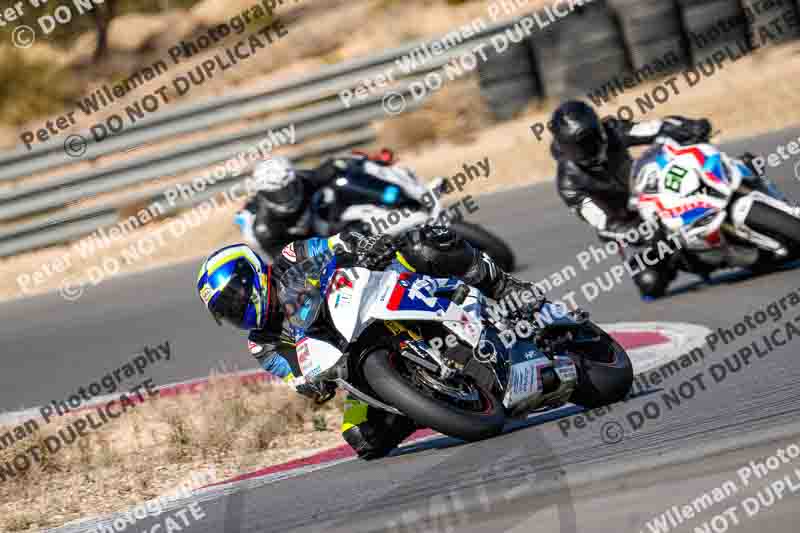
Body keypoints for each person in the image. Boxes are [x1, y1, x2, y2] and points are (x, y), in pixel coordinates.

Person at [196, 226, 544, 459]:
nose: (237, 311)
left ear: (251, 276)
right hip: (352, 362)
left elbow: (335, 243)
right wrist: (309, 386)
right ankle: (427, 399)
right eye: (228, 312)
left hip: (374, 298)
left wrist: (359, 244)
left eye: (236, 300)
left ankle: (503, 286)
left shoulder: (290, 258)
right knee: (361, 437)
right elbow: (293, 375)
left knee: (422, 242)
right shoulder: (263, 344)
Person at [549, 100, 767, 295]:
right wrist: (632, 233)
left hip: (652, 190)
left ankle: (742, 175)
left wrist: (687, 126)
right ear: (566, 147)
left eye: (593, 137)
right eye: (581, 145)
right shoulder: (569, 184)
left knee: (695, 161)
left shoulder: (613, 131)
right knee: (650, 283)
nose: (591, 146)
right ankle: (707, 257)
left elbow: (655, 127)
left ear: (599, 128)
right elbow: (601, 222)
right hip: (633, 224)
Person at [238, 149, 400, 257]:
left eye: (289, 189)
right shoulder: (264, 228)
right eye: (278, 194)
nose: (286, 197)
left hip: (319, 233)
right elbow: (285, 262)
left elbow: (333, 166)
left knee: (331, 192)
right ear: (264, 195)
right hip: (293, 257)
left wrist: (370, 160)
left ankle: (386, 212)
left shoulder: (303, 181)